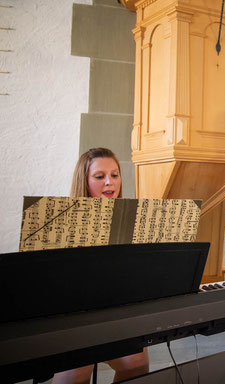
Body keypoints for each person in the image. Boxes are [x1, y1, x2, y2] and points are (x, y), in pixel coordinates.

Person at [53, 148, 149, 384]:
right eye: (100, 176)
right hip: (72, 320)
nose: (110, 182)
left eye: (115, 175)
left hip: (114, 315)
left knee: (137, 362)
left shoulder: (131, 219)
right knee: (75, 373)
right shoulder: (61, 222)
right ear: (84, 181)